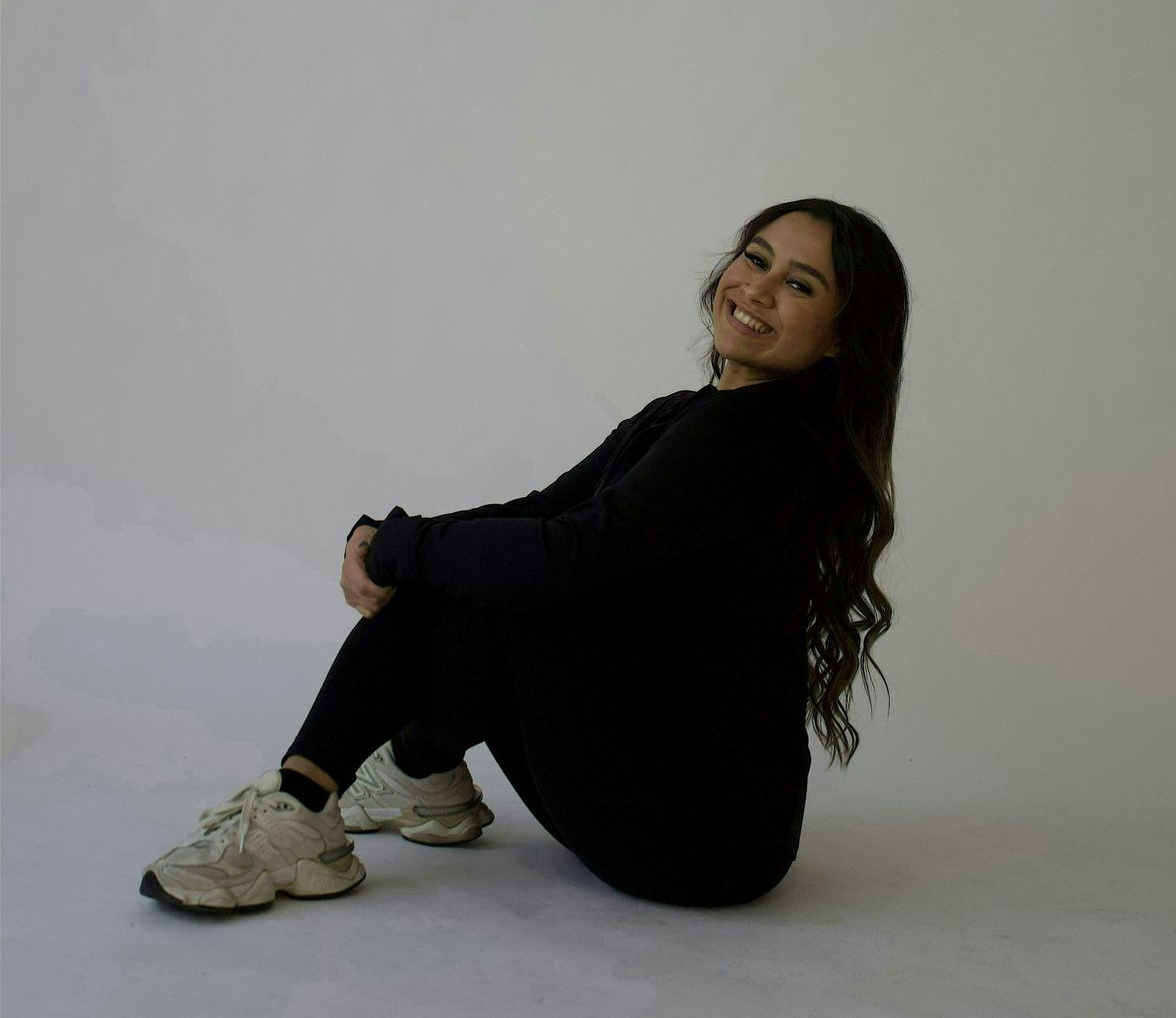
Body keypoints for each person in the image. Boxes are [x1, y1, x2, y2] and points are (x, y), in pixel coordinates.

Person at [140, 199, 908, 915]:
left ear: (840, 336)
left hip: (697, 840)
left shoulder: (755, 440)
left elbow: (558, 554)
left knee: (511, 579)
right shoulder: (691, 416)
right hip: (687, 821)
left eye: (799, 285)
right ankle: (410, 772)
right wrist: (387, 537)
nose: (758, 289)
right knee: (484, 563)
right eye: (756, 258)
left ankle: (315, 801)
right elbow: (541, 513)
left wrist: (402, 548)